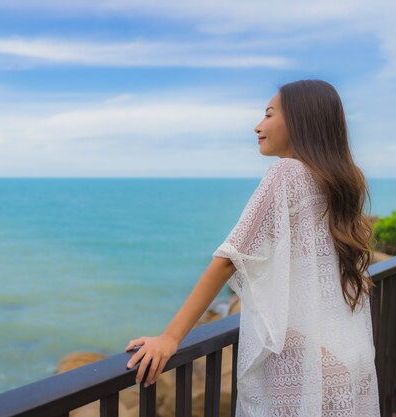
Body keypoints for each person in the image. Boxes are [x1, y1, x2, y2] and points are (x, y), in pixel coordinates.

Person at [124, 79, 381, 416]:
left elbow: (230, 259)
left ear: (301, 120)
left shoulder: (286, 173)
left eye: (269, 114)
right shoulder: (347, 177)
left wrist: (170, 338)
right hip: (342, 358)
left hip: (302, 371)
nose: (258, 126)